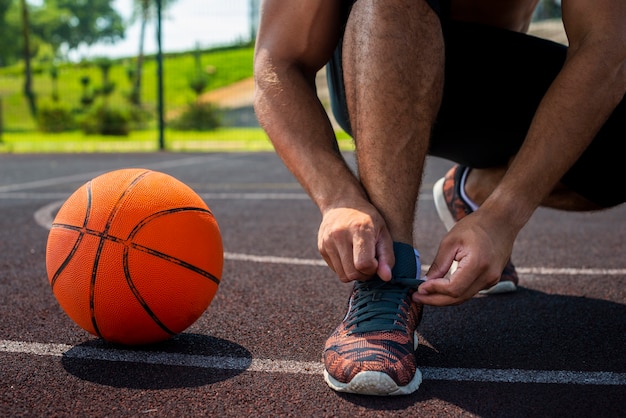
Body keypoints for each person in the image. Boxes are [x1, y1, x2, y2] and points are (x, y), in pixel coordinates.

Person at [253, 0, 626, 396]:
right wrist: (337, 198)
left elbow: (607, 45)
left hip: (487, 84)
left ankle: (476, 191)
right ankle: (388, 278)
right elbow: (277, 61)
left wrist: (503, 213)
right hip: (374, 57)